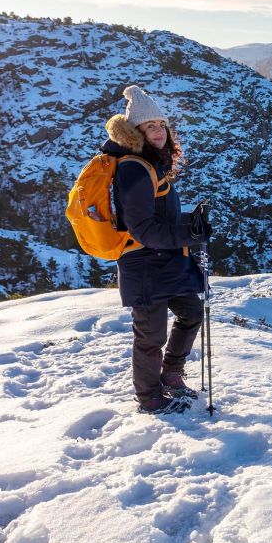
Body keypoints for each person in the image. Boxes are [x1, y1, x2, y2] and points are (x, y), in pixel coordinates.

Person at [100, 85, 212, 414]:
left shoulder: (152, 165)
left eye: (161, 125)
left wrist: (192, 223)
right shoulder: (133, 169)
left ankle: (171, 374)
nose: (159, 131)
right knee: (150, 336)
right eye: (150, 126)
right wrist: (189, 236)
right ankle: (149, 398)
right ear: (136, 132)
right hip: (144, 264)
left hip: (166, 261)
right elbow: (144, 230)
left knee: (191, 313)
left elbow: (161, 217)